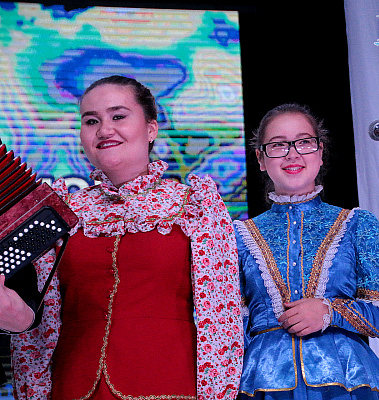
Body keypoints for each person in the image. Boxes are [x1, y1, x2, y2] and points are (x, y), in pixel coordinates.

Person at [11, 75, 243, 400]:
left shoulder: (194, 205)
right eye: (91, 121)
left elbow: (221, 317)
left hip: (170, 387)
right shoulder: (60, 211)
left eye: (118, 116)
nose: (104, 130)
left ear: (151, 129)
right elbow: (37, 324)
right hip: (72, 387)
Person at [235, 103, 379, 399]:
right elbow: (227, 330)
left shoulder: (357, 224)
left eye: (304, 142)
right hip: (265, 387)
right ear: (261, 159)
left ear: (320, 152)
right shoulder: (237, 237)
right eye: (278, 145)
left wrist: (330, 312)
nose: (292, 154)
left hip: (344, 385)